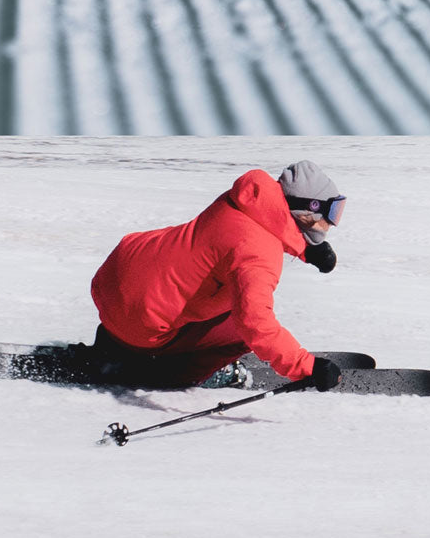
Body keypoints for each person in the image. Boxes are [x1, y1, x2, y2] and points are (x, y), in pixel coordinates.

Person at [87, 160, 346, 391]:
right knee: (240, 327)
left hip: (114, 282)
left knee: (191, 284)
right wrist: (307, 367)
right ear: (309, 211)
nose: (333, 223)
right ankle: (173, 376)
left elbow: (259, 228)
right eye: (332, 213)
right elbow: (255, 322)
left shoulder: (242, 200)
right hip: (141, 321)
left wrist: (305, 249)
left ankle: (112, 347)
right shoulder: (261, 253)